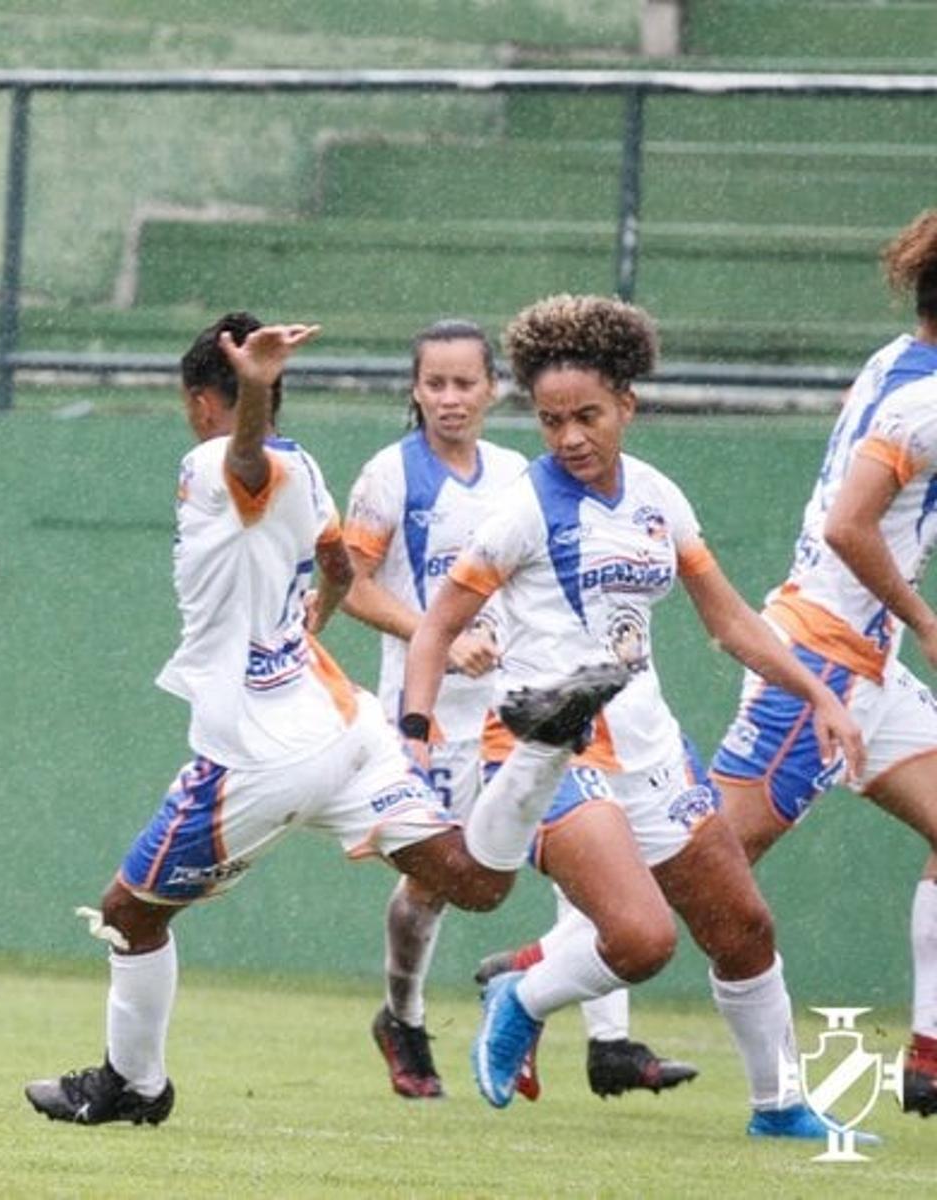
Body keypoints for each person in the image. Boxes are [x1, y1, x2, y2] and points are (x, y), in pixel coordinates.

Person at [22, 312, 629, 1127]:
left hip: (255, 751)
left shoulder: (215, 456)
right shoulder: (305, 467)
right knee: (477, 884)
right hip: (345, 724)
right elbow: (338, 565)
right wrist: (311, 624)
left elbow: (242, 461)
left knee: (130, 915)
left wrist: (252, 389)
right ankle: (544, 750)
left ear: (204, 399)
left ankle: (134, 1084)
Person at [402, 294, 867, 1140]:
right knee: (643, 940)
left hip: (649, 743)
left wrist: (822, 695)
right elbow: (437, 624)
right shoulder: (523, 509)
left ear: (627, 403)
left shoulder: (657, 495)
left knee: (744, 930)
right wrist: (416, 727)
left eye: (587, 416)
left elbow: (729, 621)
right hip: (548, 745)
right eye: (550, 422)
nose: (570, 437)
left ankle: (780, 1107)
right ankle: (524, 993)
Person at [342, 320, 692, 1101]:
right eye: (434, 383)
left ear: (492, 389)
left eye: (465, 383)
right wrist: (438, 641)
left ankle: (610, 1041)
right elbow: (349, 586)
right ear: (414, 389)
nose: (450, 398)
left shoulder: (516, 475)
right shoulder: (388, 476)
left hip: (522, 710)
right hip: (431, 717)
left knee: (591, 855)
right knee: (444, 885)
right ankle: (403, 1015)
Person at [707, 208, 937, 1117]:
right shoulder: (927, 398)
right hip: (821, 658)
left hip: (863, 664)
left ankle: (928, 1053)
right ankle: (541, 976)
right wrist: (922, 616)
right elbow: (849, 525)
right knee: (704, 867)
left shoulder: (894, 361)